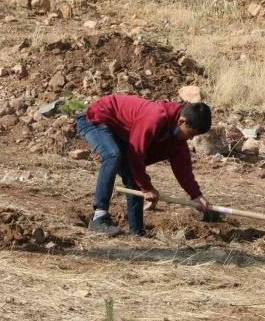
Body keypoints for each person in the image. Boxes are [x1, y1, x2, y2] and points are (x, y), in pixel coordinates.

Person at [76, 94, 213, 237]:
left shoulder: (177, 139)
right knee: (113, 155)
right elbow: (136, 153)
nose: (190, 138)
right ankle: (99, 217)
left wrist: (196, 195)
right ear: (182, 121)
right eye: (191, 133)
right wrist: (147, 187)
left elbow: (182, 168)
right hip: (95, 119)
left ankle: (137, 232)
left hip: (118, 133)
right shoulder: (155, 116)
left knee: (134, 175)